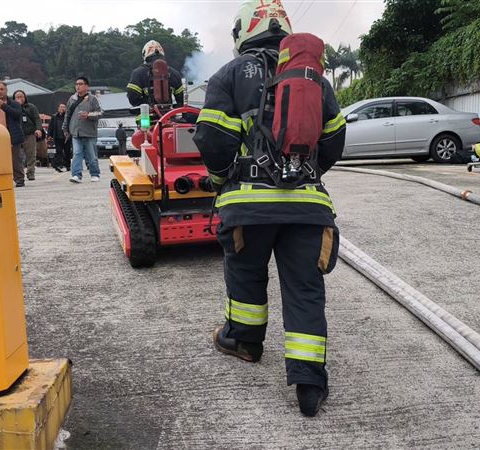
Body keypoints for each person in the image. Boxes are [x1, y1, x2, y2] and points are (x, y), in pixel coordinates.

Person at [193, 0, 346, 417]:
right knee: (305, 290)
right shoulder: (315, 77)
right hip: (308, 207)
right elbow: (334, 140)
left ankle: (244, 342)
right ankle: (309, 385)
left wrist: (226, 179)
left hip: (248, 207)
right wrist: (306, 173)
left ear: (243, 31)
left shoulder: (230, 74)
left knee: (245, 274)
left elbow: (209, 138)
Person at [0, 81, 26, 187]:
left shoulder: (14, 104)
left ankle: (19, 179)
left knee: (16, 159)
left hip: (12, 136)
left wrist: (4, 106)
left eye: (2, 89)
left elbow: (17, 115)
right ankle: (0, 179)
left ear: (6, 90)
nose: (0, 92)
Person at [62, 76, 102, 183]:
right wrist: (65, 129)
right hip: (76, 132)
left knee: (91, 154)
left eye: (80, 84)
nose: (78, 86)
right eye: (76, 84)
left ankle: (95, 174)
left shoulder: (92, 99)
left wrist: (88, 115)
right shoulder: (72, 99)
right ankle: (76, 175)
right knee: (77, 153)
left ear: (87, 86)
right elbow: (67, 115)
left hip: (89, 132)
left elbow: (100, 113)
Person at [126, 40, 184, 108]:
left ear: (145, 54)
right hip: (168, 116)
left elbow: (132, 98)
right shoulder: (174, 73)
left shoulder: (138, 73)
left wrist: (146, 104)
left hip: (146, 116)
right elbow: (181, 100)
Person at [13, 90, 41, 180]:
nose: (19, 99)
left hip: (29, 134)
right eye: (17, 97)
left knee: (31, 155)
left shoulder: (31, 107)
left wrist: (38, 129)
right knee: (17, 156)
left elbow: (37, 119)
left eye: (21, 97)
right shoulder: (11, 107)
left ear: (25, 97)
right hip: (16, 134)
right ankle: (18, 174)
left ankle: (30, 173)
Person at [48, 103, 70, 172]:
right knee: (59, 151)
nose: (62, 108)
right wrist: (49, 135)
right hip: (57, 137)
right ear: (58, 108)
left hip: (66, 138)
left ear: (65, 109)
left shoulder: (68, 116)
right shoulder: (54, 117)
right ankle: (59, 164)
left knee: (67, 152)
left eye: (63, 107)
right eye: (61, 107)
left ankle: (68, 165)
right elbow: (51, 127)